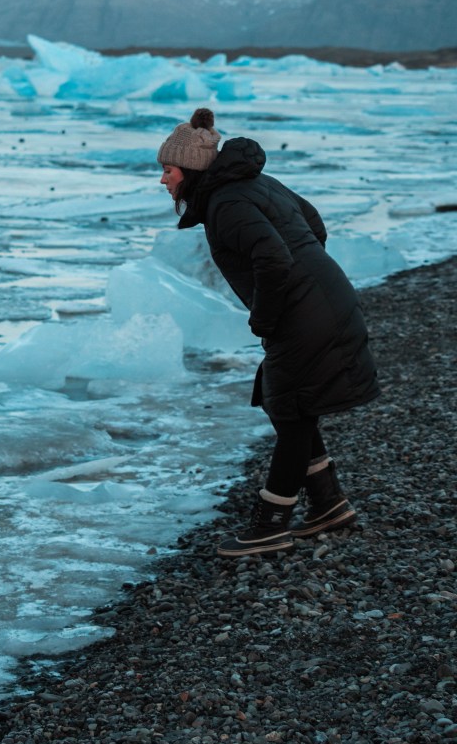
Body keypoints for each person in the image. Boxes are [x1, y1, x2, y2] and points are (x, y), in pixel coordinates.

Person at [157, 108, 379, 558]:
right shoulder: (252, 186)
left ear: (191, 169)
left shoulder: (227, 204)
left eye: (167, 169)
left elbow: (274, 259)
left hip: (305, 315)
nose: (164, 180)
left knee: (292, 412)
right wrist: (311, 280)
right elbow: (313, 224)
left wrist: (266, 315)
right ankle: (327, 504)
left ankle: (270, 526)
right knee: (286, 403)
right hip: (322, 304)